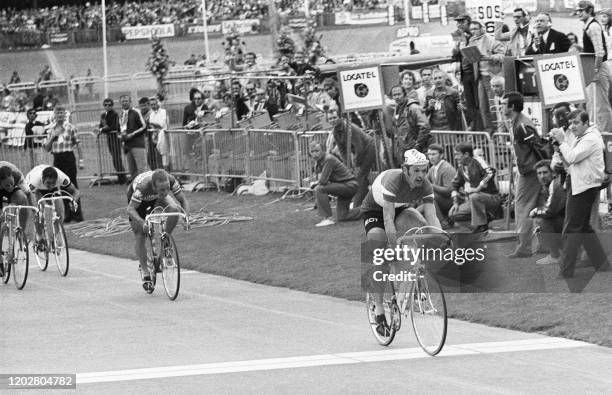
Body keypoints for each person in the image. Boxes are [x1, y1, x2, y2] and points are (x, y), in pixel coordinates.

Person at [361, 149, 441, 336]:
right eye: (416, 171)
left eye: (424, 170)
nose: (421, 175)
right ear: (405, 170)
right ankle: (379, 310)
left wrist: (442, 236)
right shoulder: (393, 181)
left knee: (421, 226)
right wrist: (393, 245)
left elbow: (431, 215)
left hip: (399, 208)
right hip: (375, 212)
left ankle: (409, 281)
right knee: (382, 254)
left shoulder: (425, 184)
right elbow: (388, 220)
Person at [549, 110, 610, 278]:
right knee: (583, 227)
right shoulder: (583, 137)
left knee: (571, 229)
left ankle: (566, 271)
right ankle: (602, 265)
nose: (572, 126)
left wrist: (562, 142)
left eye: (576, 122)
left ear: (586, 123)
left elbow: (573, 157)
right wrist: (559, 147)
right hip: (581, 185)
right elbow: (569, 161)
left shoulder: (590, 138)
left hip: (583, 187)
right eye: (571, 123)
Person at [126, 169, 189, 291]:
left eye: (167, 189)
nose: (166, 192)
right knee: (140, 234)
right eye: (162, 189)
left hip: (156, 197)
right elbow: (130, 210)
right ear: (154, 187)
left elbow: (183, 200)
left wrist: (186, 217)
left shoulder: (170, 180)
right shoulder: (142, 188)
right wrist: (142, 222)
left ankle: (165, 239)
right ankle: (145, 272)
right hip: (139, 202)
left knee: (174, 209)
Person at [500, 92, 542, 258]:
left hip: (530, 171)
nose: (501, 107)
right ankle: (545, 244)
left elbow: (538, 146)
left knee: (522, 206)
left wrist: (540, 168)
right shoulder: (516, 122)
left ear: (512, 107)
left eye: (504, 104)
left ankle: (524, 247)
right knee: (539, 206)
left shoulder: (522, 125)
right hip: (530, 169)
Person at [574, 1, 611, 132]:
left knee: (600, 104)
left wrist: (595, 71)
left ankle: (604, 135)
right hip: (595, 67)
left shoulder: (593, 26)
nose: (579, 13)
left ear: (589, 10)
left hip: (599, 67)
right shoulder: (588, 26)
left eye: (581, 11)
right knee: (593, 103)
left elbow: (600, 52)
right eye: (577, 11)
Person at [44, 105, 84, 222]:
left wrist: (81, 160)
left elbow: (78, 144)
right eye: (58, 113)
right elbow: (47, 148)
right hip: (57, 158)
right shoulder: (51, 129)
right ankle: (67, 214)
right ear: (54, 115)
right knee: (61, 186)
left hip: (68, 157)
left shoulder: (71, 127)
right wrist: (53, 137)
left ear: (65, 114)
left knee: (72, 185)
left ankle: (77, 214)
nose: (60, 115)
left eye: (62, 112)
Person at [329, 109, 376, 208]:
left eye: (334, 117)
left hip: (368, 148)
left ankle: (358, 205)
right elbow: (343, 150)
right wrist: (347, 165)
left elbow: (359, 147)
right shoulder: (335, 132)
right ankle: (367, 202)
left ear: (340, 118)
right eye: (330, 119)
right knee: (359, 177)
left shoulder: (350, 129)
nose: (332, 120)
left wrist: (356, 163)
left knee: (360, 176)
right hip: (359, 152)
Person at [449, 142, 500, 233]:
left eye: (457, 154)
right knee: (453, 214)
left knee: (475, 196)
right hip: (473, 200)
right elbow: (454, 185)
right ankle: (483, 221)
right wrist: (455, 202)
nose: (455, 157)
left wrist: (477, 188)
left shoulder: (478, 160)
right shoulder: (461, 168)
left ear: (466, 154)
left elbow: (490, 173)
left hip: (491, 197)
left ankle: (482, 226)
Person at [25, 165, 81, 244]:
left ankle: (57, 232)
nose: (51, 185)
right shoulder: (34, 181)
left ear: (57, 180)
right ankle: (40, 236)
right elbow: (29, 196)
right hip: (37, 189)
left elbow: (76, 191)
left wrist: (74, 201)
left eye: (53, 183)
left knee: (60, 209)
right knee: (39, 211)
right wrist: (36, 210)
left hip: (53, 188)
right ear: (43, 178)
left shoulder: (62, 178)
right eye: (48, 182)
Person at [308, 142, 361, 227]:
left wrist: (314, 183)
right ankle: (370, 209)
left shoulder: (328, 159)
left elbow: (323, 181)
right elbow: (322, 181)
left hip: (349, 185)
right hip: (344, 186)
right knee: (342, 216)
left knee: (320, 189)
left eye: (317, 151)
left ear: (322, 150)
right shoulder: (318, 163)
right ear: (309, 153)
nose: (315, 154)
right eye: (312, 151)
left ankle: (327, 218)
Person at [467, 21, 505, 133]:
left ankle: (499, 133)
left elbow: (502, 56)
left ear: (482, 28)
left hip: (492, 76)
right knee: (483, 107)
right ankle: (489, 132)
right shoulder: (472, 41)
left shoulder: (492, 40)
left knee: (494, 106)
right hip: (480, 77)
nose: (473, 31)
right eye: (471, 29)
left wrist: (489, 57)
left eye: (475, 29)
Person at [528, 160, 566, 265]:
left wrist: (535, 211)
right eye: (539, 173)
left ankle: (555, 256)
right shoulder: (548, 185)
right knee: (541, 219)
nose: (542, 176)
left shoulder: (555, 184)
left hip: (571, 227)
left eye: (545, 172)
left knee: (541, 220)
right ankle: (556, 251)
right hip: (568, 224)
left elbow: (550, 211)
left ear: (552, 173)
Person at [389, 84, 431, 166]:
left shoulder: (413, 107)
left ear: (404, 94)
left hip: (415, 148)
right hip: (403, 148)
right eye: (394, 95)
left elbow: (425, 126)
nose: (397, 97)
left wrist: (417, 146)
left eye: (399, 94)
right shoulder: (397, 108)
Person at [426, 144, 457, 229]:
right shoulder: (433, 168)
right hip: (441, 199)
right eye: (429, 154)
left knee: (429, 196)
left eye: (433, 154)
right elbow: (424, 181)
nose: (431, 157)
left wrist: (430, 185)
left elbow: (448, 190)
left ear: (441, 155)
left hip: (451, 201)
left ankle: (443, 222)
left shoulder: (447, 168)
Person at [98, 98, 127, 184]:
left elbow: (114, 127)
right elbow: (101, 126)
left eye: (109, 105)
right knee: (115, 159)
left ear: (112, 105)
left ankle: (122, 178)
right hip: (109, 139)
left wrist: (102, 129)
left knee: (117, 159)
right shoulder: (103, 115)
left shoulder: (115, 114)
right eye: (106, 105)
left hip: (115, 138)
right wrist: (102, 128)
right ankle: (120, 177)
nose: (107, 106)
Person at [119, 95, 147, 181]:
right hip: (127, 146)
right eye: (123, 101)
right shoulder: (121, 114)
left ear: (130, 102)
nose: (124, 103)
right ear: (120, 103)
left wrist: (133, 134)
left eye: (126, 101)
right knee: (132, 170)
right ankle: (136, 189)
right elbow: (121, 129)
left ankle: (147, 188)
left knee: (142, 168)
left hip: (137, 144)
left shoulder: (136, 112)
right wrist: (121, 137)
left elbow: (144, 126)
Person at [0, 162, 30, 231]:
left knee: (23, 198)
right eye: (7, 185)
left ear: (13, 177)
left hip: (14, 189)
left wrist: (35, 211)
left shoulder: (18, 176)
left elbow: (28, 194)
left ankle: (22, 231)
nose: (10, 186)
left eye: (11, 183)